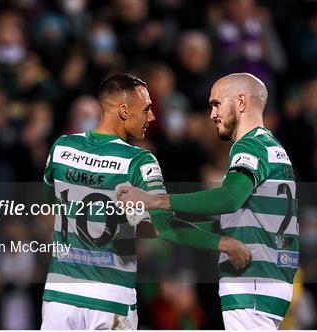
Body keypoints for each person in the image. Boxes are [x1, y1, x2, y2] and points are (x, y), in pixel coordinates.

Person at [40, 73, 251, 330]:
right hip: (110, 301)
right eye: (147, 109)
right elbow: (163, 227)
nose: (152, 117)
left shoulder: (61, 148)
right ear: (124, 110)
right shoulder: (139, 162)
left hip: (58, 300)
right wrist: (223, 243)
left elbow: (46, 210)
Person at [118, 73, 299, 330]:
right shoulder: (273, 148)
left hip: (253, 281)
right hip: (270, 278)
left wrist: (155, 201)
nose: (212, 114)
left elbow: (229, 198)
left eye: (216, 104)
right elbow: (228, 217)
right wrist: (160, 223)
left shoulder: (250, 146)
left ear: (241, 102)